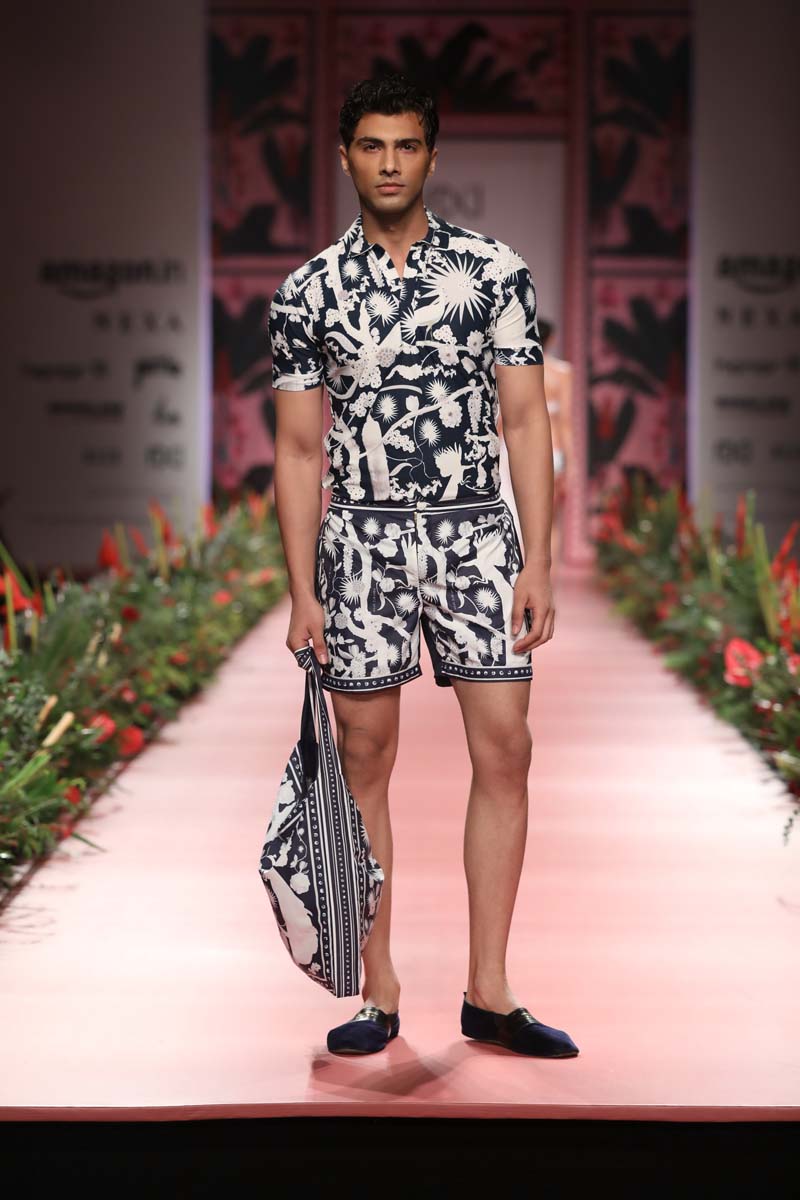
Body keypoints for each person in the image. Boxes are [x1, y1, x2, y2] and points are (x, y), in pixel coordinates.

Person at [268, 74, 578, 1061]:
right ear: (346, 157)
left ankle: (490, 990)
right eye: (372, 145)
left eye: (406, 145)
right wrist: (301, 589)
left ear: (431, 156)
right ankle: (378, 990)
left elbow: (525, 420)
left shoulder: (494, 271)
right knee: (363, 756)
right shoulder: (308, 290)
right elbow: (297, 450)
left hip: (475, 534)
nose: (390, 163)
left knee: (506, 747)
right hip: (358, 541)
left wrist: (538, 560)